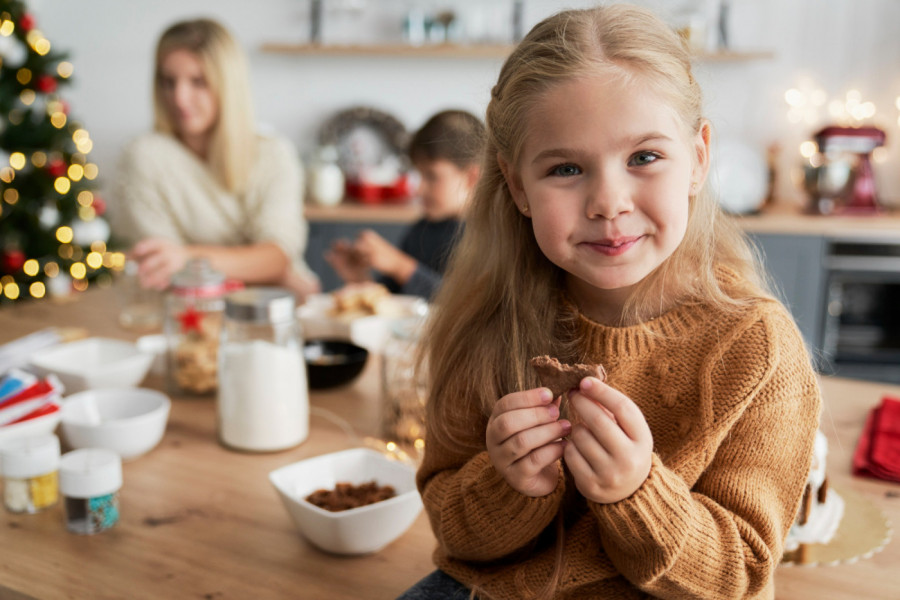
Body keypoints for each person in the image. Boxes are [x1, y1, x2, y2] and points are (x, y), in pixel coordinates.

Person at [400, 5, 821, 600]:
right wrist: (508, 483)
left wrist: (635, 491)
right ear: (517, 185)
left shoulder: (757, 348)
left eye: (644, 158)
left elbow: (740, 575)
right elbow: (453, 530)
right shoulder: (486, 325)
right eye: (566, 168)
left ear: (698, 158)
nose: (608, 201)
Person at [111, 18, 319, 298]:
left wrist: (187, 257)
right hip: (186, 312)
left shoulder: (274, 154)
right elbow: (162, 266)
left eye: (199, 82)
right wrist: (265, 269)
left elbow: (277, 256)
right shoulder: (144, 157)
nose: (180, 98)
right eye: (168, 82)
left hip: (273, 311)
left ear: (228, 85)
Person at [325, 110, 484, 299]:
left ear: (471, 177)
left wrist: (400, 266)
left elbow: (463, 305)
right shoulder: (420, 231)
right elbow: (393, 301)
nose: (419, 189)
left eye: (431, 176)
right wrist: (360, 279)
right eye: (419, 174)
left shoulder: (491, 238)